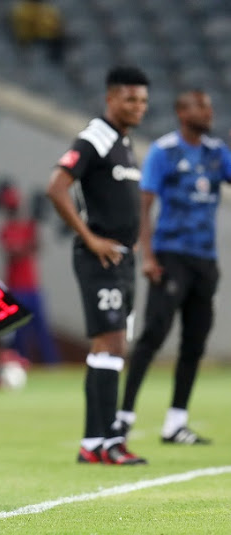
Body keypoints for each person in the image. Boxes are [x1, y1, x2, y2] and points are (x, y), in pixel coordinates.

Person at [113, 89, 231, 445]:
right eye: (201, 106)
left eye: (209, 106)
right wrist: (147, 255)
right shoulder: (164, 152)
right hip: (170, 256)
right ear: (182, 112)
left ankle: (175, 422)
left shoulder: (216, 152)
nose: (209, 112)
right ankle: (124, 416)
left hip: (205, 260)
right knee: (153, 335)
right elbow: (144, 206)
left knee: (195, 342)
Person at [46, 66, 149, 465]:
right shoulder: (95, 137)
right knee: (110, 344)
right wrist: (90, 238)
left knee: (113, 347)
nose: (138, 107)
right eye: (130, 99)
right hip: (98, 256)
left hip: (123, 257)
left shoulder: (124, 142)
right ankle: (101, 442)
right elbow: (56, 186)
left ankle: (100, 441)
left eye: (142, 101)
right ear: (111, 98)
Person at [0, 183, 60, 364]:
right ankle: (21, 362)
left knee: (42, 330)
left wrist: (36, 226)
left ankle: (52, 364)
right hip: (15, 289)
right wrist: (28, 245)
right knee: (18, 333)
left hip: (32, 287)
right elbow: (13, 252)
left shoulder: (30, 226)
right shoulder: (6, 229)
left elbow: (39, 247)